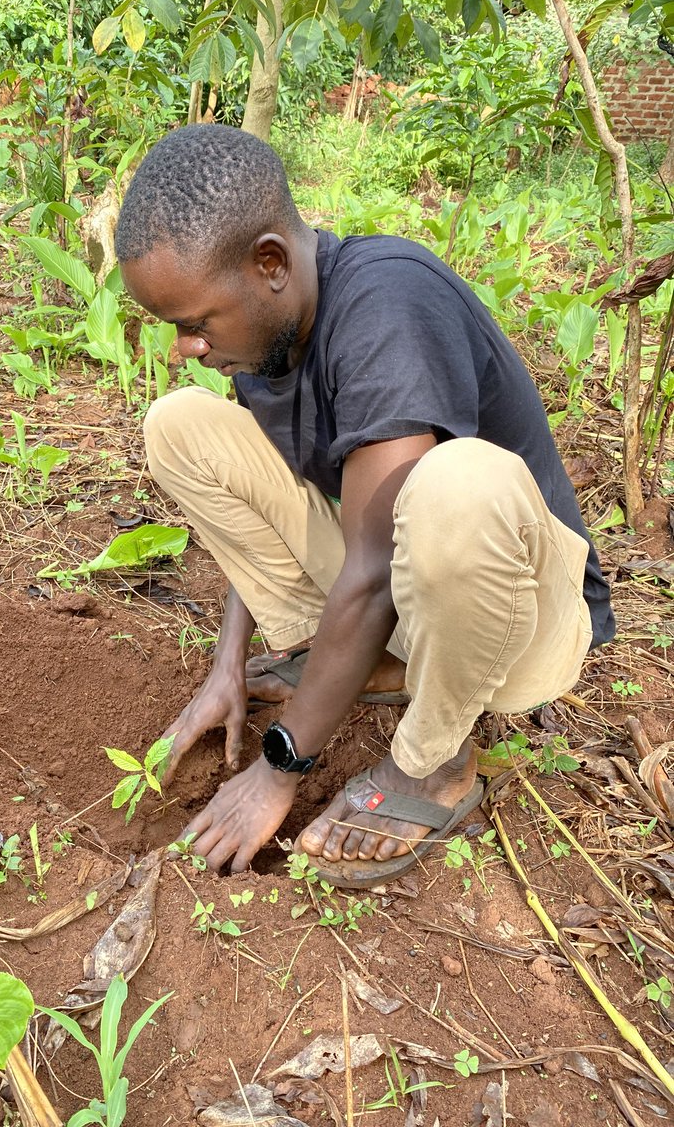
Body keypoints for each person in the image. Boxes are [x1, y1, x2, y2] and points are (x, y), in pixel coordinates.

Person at [114, 124, 615, 886]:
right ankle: (365, 660)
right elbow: (297, 497)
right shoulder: (268, 333)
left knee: (456, 486)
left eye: (195, 323)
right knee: (179, 425)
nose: (188, 346)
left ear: (271, 263)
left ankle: (432, 765)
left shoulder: (389, 306)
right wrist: (228, 665)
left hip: (521, 619)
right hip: (406, 583)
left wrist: (281, 766)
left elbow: (377, 569)